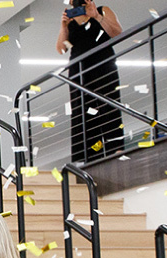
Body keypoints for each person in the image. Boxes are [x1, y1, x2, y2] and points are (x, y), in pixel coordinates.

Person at [57, 0, 124, 163]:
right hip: (78, 70)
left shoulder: (103, 10)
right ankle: (85, 156)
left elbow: (117, 33)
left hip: (103, 65)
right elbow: (61, 49)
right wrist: (64, 27)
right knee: (81, 110)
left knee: (108, 105)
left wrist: (97, 16)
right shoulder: (71, 21)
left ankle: (115, 150)